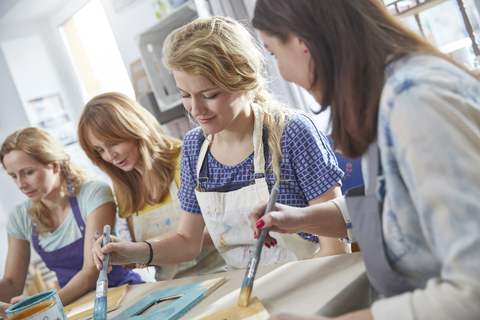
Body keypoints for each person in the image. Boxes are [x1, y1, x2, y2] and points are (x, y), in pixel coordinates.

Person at [248, 0, 480, 319]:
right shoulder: (389, 93)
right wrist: (302, 218)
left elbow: (473, 291)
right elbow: (397, 202)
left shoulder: (415, 105)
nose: (283, 73)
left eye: (274, 53)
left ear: (301, 40)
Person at [91, 16, 348, 273]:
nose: (196, 109)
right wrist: (131, 251)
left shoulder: (291, 132)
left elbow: (336, 248)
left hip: (312, 278)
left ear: (243, 79)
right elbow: (187, 241)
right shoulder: (195, 147)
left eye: (209, 95)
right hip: (244, 288)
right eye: (185, 95)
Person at [78, 92, 225, 281]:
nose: (109, 156)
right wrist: (115, 250)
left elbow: (221, 228)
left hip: (220, 275)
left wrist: (144, 248)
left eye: (114, 143)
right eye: (100, 150)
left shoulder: (187, 158)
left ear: (135, 128)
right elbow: (140, 259)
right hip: (171, 287)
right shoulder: (124, 187)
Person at [0, 127, 142, 317]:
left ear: (54, 165)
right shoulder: (20, 215)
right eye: (13, 176)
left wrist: (40, 305)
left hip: (124, 296)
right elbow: (12, 283)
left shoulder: (93, 193)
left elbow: (91, 271)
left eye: (28, 172)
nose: (20, 184)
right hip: (73, 307)